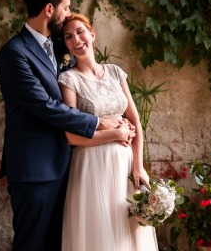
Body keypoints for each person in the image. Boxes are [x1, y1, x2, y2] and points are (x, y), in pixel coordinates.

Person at [0, 0, 134, 251]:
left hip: (69, 166)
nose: (68, 14)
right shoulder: (14, 53)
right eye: (66, 8)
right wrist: (99, 122)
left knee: (60, 243)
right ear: (50, 9)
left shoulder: (60, 45)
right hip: (34, 168)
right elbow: (45, 105)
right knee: (31, 243)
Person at [58, 13, 158, 251]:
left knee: (128, 231)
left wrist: (139, 166)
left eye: (80, 32)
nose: (76, 39)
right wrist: (115, 134)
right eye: (69, 37)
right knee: (98, 232)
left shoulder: (115, 72)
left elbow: (135, 121)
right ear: (66, 45)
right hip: (91, 166)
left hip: (125, 166)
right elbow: (71, 136)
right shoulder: (68, 80)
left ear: (92, 34)